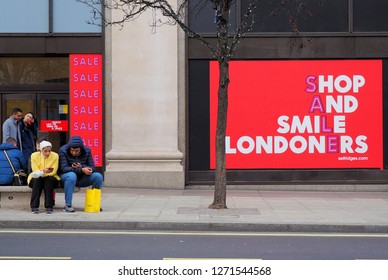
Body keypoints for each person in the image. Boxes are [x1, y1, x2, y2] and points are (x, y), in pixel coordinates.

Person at [59, 135, 103, 212]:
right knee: (71, 176)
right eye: (72, 150)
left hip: (82, 178)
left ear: (81, 149)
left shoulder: (87, 151)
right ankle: (68, 204)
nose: (74, 153)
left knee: (98, 176)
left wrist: (84, 167)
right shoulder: (63, 150)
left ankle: (94, 203)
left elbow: (93, 167)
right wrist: (80, 169)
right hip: (67, 178)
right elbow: (63, 168)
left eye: (76, 151)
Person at [28, 140, 60, 214]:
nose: (48, 153)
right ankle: (34, 206)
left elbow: (54, 171)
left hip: (51, 177)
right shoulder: (34, 155)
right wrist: (43, 172)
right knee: (37, 180)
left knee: (48, 180)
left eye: (49, 151)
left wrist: (43, 173)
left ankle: (49, 206)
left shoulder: (55, 155)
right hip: (37, 177)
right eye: (45, 151)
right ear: (41, 150)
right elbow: (35, 170)